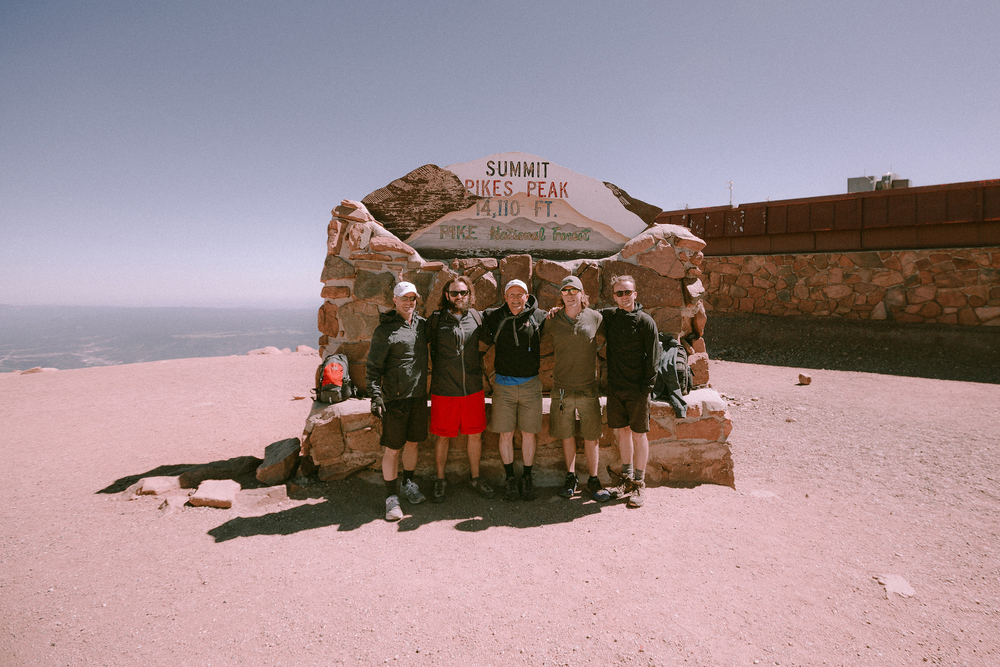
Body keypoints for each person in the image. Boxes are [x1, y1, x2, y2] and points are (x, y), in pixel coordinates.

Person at [427, 276, 496, 502]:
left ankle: (475, 478)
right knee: (442, 437)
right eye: (454, 293)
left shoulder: (477, 317)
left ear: (469, 295)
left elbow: (488, 340)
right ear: (447, 295)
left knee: (475, 435)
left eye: (463, 293)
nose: (459, 297)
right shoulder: (436, 320)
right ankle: (440, 480)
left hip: (472, 389)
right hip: (444, 389)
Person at [366, 282, 429, 521]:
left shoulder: (421, 326)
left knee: (412, 443)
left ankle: (408, 484)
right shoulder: (385, 331)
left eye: (413, 298)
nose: (409, 302)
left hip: (417, 396)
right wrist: (375, 396)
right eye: (404, 298)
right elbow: (373, 367)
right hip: (395, 399)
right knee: (393, 449)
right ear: (394, 300)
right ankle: (390, 498)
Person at [544, 276, 611, 501]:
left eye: (575, 291)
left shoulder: (595, 318)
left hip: (588, 389)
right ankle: (571, 476)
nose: (570, 295)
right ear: (561, 295)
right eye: (565, 291)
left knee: (592, 435)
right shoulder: (552, 319)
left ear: (583, 294)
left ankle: (593, 479)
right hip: (561, 389)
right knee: (566, 434)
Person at [482, 279, 546, 501]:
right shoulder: (494, 317)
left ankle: (526, 477)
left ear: (527, 297)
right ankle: (510, 478)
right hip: (503, 386)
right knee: (506, 434)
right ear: (505, 297)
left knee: (529, 434)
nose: (516, 298)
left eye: (521, 294)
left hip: (530, 385)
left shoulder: (540, 317)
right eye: (512, 294)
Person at [601, 274, 660, 508]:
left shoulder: (646, 321)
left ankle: (639, 482)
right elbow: (583, 312)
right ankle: (625, 478)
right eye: (619, 293)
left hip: (637, 388)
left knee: (639, 433)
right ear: (614, 296)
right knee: (623, 432)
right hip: (616, 387)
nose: (624, 297)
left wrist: (646, 387)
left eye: (628, 292)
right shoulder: (610, 317)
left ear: (635, 294)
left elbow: (654, 357)